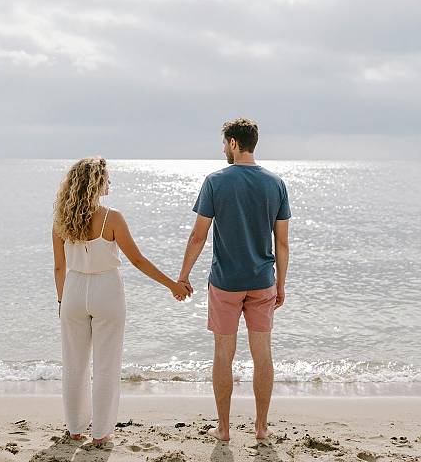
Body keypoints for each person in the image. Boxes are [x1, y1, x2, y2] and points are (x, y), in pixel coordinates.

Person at [52, 157, 191, 445]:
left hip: (73, 291)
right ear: (95, 183)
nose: (110, 183)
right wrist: (172, 285)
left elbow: (58, 267)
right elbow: (137, 260)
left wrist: (61, 302)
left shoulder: (61, 220)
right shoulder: (111, 218)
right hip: (107, 289)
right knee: (106, 364)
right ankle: (100, 434)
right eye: (107, 179)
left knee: (74, 364)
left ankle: (75, 428)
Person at [178, 118, 290, 441]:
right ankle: (261, 427)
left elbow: (198, 236)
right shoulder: (276, 184)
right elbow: (281, 243)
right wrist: (281, 284)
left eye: (224, 143)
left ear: (233, 143)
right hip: (262, 281)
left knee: (223, 354)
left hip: (225, 283)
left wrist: (183, 277)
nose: (223, 149)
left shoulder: (215, 182)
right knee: (263, 354)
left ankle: (224, 429)